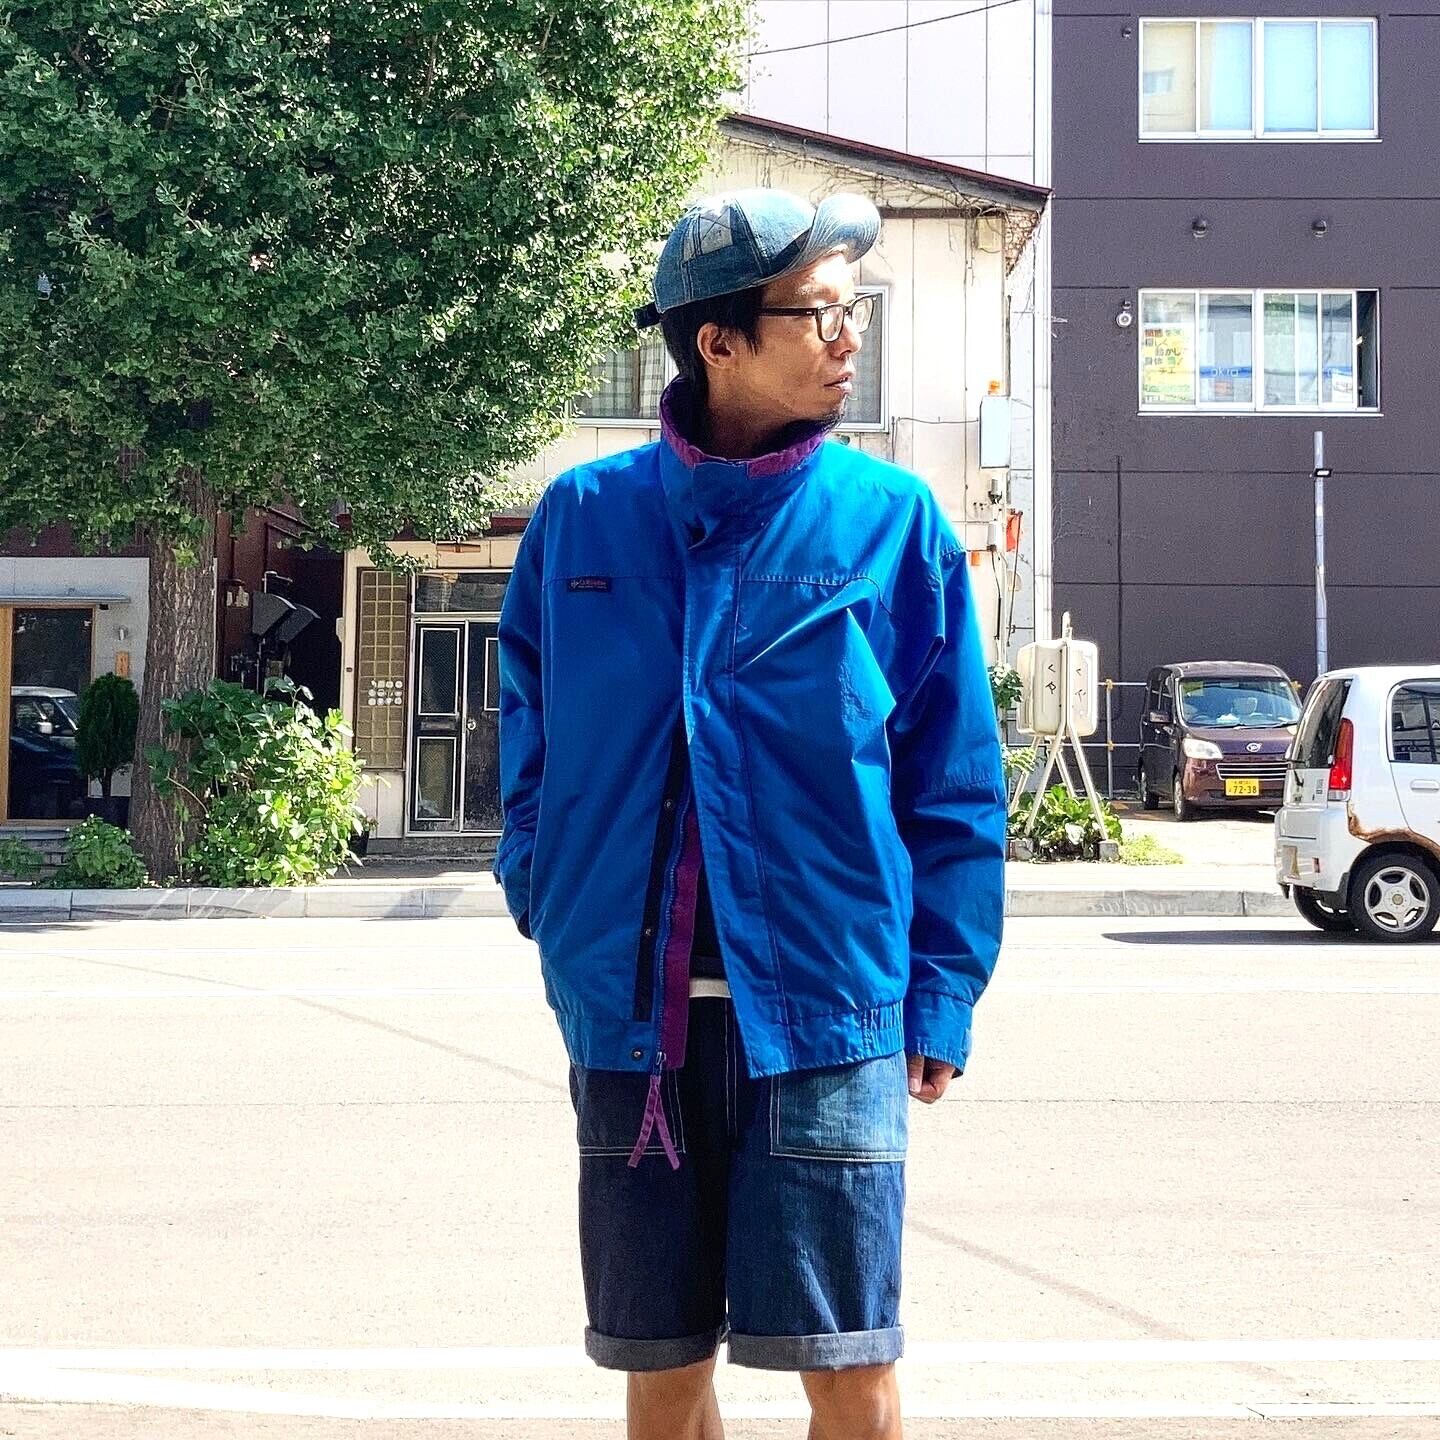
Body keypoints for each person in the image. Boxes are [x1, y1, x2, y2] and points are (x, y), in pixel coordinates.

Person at [495, 188, 1006, 1440]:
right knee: (661, 1367)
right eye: (822, 312)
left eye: (853, 309)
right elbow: (529, 729)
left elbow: (952, 783)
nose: (850, 337)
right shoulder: (582, 518)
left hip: (830, 1019)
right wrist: (545, 890)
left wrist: (941, 992)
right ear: (717, 341)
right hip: (633, 1019)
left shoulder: (891, 525)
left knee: (849, 1368)